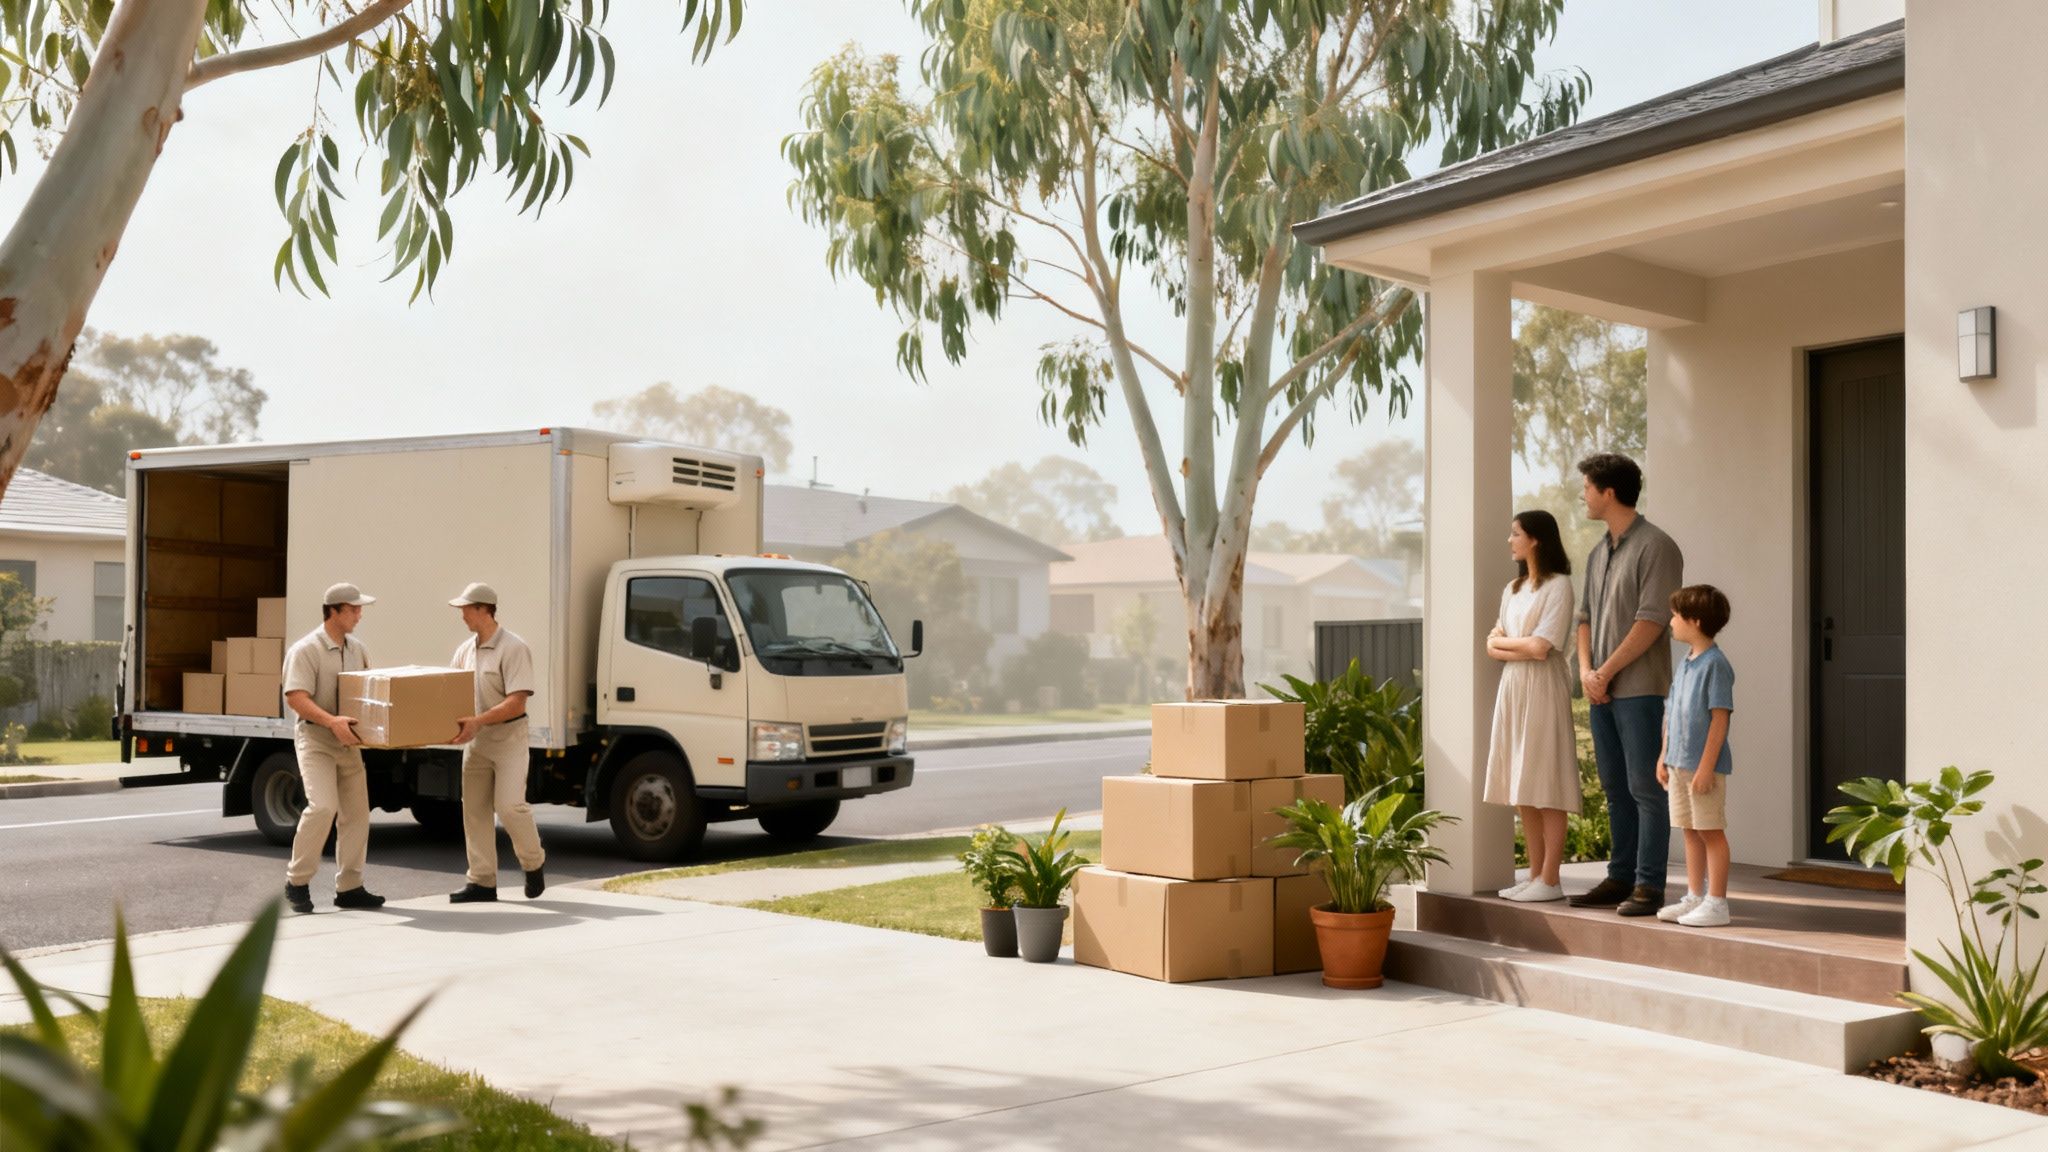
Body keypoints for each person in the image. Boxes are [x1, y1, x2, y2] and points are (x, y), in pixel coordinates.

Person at [1565, 453, 1685, 918]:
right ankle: (1620, 876)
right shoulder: (1598, 553)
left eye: (1588, 487)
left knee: (1645, 789)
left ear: (1608, 491)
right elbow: (1584, 619)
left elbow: (1653, 620)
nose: (1583, 495)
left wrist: (1605, 671)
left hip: (1640, 689)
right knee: (1616, 789)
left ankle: (1649, 886)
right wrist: (1585, 673)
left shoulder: (1657, 546)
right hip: (1601, 690)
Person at [1484, 511, 1582, 903]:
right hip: (1514, 687)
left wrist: (1508, 645)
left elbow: (1543, 647)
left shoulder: (1559, 587)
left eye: (1516, 534)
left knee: (1546, 782)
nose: (1510, 541)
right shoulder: (1512, 588)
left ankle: (1551, 878)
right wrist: (1514, 646)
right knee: (1522, 782)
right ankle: (1535, 874)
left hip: (1543, 689)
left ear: (1536, 539)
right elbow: (1491, 645)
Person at [282, 583, 384, 914]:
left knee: (357, 815)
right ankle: (297, 881)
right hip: (316, 740)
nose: (359, 614)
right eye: (353, 609)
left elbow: (368, 692)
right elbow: (296, 697)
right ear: (334, 611)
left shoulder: (358, 650)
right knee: (323, 807)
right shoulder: (305, 650)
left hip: (349, 742)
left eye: (359, 608)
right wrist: (332, 722)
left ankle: (350, 887)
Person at [446, 582, 547, 903]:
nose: (462, 614)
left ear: (483, 609)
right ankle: (482, 881)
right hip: (477, 742)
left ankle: (533, 863)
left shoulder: (513, 648)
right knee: (473, 810)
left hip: (509, 738)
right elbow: (449, 695)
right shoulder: (464, 651)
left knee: (509, 806)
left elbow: (517, 702)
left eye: (466, 608)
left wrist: (477, 721)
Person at [1656, 585, 1736, 928]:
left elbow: (1720, 717)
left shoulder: (1715, 664)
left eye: (1676, 615)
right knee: (1689, 830)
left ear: (1696, 621)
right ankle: (1694, 896)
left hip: (1703, 768)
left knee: (1710, 831)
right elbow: (1671, 712)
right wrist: (1663, 756)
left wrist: (1706, 767)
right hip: (1678, 764)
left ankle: (1717, 902)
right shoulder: (1685, 663)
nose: (1671, 621)